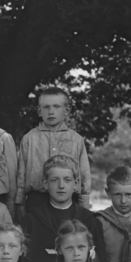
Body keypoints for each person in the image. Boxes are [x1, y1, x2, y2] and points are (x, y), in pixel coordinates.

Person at [15, 86, 93, 219]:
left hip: (68, 201)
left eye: (56, 106)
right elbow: (21, 177)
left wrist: (84, 208)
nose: (51, 112)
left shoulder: (76, 139)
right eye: (46, 107)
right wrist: (20, 206)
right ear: (39, 111)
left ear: (67, 110)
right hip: (37, 201)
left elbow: (84, 177)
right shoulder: (29, 138)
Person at [20, 155, 105, 262]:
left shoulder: (89, 220)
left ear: (75, 184)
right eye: (54, 180)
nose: (61, 186)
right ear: (45, 183)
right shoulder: (31, 220)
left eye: (67, 180)